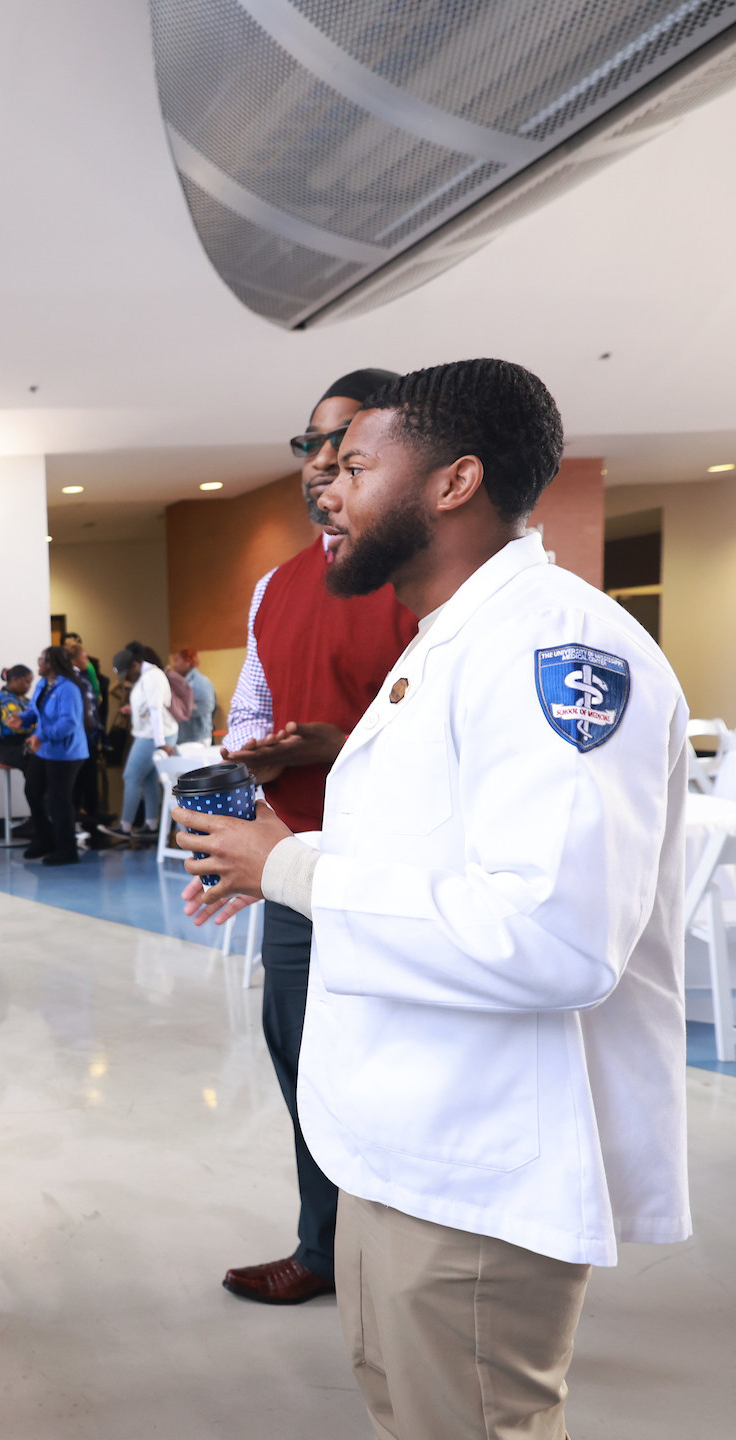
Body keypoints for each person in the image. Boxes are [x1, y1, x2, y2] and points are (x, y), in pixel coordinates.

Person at [177, 358, 686, 1440]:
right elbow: (426, 861)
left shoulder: (554, 650)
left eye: (355, 464)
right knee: (410, 1411)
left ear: (454, 479)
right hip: (398, 1134)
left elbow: (554, 935)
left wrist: (294, 865)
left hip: (480, 1154)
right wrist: (278, 869)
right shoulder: (446, 640)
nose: (326, 486)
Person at [215, 366, 418, 1309]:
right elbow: (250, 703)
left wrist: (348, 743)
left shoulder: (415, 580)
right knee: (302, 1054)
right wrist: (253, 756)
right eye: (309, 445)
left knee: (400, 1066)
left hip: (399, 864)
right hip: (297, 860)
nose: (319, 465)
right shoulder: (277, 585)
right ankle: (324, 1244)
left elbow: (440, 724)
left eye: (344, 448)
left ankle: (407, 1259)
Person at [22, 643, 88, 866]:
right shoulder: (44, 684)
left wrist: (41, 736)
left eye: (42, 659)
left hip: (67, 753)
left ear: (52, 664)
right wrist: (21, 719)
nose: (38, 663)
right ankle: (46, 839)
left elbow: (69, 723)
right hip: (46, 750)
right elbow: (34, 710)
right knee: (32, 791)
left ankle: (67, 849)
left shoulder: (68, 688)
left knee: (58, 800)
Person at [111, 643, 176, 840]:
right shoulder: (145, 677)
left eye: (126, 674)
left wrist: (160, 742)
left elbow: (156, 710)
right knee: (147, 780)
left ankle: (125, 826)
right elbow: (148, 707)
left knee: (131, 777)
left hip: (153, 736)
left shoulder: (152, 677)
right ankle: (151, 825)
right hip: (149, 733)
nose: (126, 679)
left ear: (135, 666)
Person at [62, 633, 110, 827]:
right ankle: (84, 815)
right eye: (84, 656)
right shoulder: (73, 678)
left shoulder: (81, 675)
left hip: (89, 734)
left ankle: (91, 813)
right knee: (82, 776)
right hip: (81, 735)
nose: (88, 661)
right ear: (75, 658)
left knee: (88, 774)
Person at [0, 662, 38, 847]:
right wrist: (33, 725)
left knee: (42, 763)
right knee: (36, 764)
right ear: (15, 680)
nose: (28, 687)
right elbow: (15, 726)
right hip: (8, 748)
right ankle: (37, 814)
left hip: (25, 744)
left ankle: (39, 814)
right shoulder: (3, 700)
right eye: (26, 682)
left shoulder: (24, 701)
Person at [170, 647, 217, 747]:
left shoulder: (201, 682)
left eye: (177, 660)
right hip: (184, 737)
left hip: (197, 738)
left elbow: (207, 706)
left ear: (188, 662)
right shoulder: (181, 681)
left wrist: (179, 711)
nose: (173, 666)